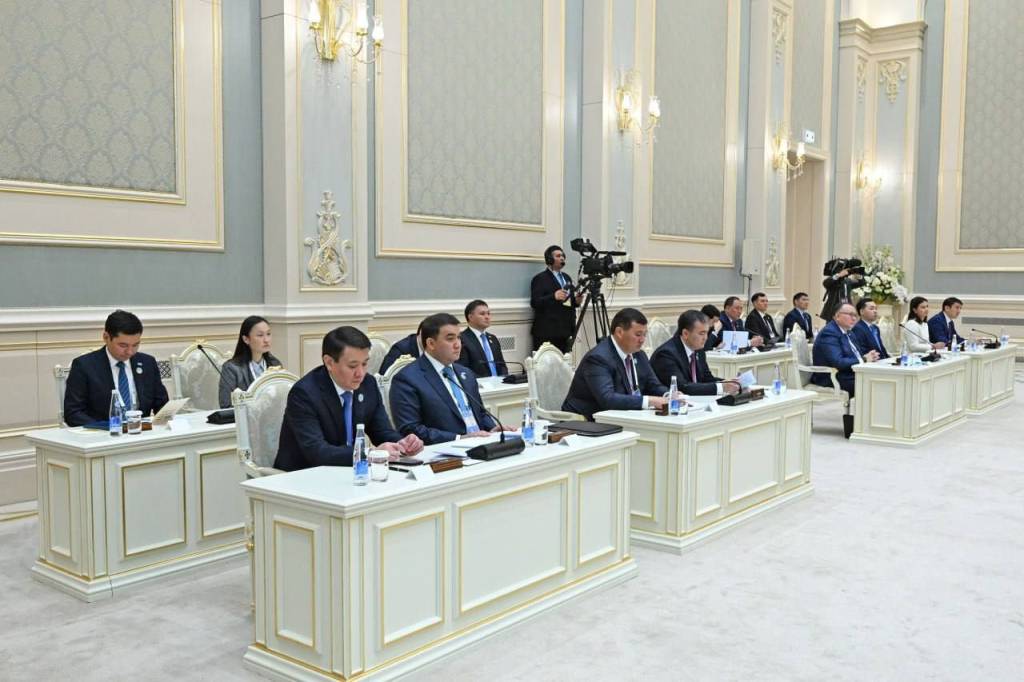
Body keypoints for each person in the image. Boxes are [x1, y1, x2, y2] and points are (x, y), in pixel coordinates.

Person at [274, 326, 423, 472]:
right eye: (352, 366)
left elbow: (382, 431)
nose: (360, 373)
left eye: (364, 364)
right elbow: (318, 452)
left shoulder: (368, 384)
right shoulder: (304, 393)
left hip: (349, 472)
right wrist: (370, 454)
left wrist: (401, 443)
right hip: (303, 475)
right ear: (329, 362)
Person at [390, 313, 499, 445]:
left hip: (481, 444)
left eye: (459, 338)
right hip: (445, 450)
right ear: (431, 343)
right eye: (450, 339)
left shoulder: (466, 373)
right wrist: (459, 438)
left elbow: (480, 412)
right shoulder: (407, 379)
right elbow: (410, 429)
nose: (458, 345)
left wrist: (493, 429)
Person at [63, 310, 169, 426]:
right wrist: (107, 428)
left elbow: (162, 404)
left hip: (141, 431)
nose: (130, 352)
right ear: (106, 337)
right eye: (123, 345)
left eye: (135, 345)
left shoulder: (147, 362)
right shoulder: (84, 366)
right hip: (103, 433)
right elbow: (73, 413)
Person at [562, 308, 668, 419]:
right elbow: (607, 399)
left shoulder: (639, 355)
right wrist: (649, 401)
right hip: (584, 420)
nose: (642, 340)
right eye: (638, 335)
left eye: (644, 335)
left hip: (623, 416)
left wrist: (670, 395)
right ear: (619, 332)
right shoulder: (598, 358)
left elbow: (653, 385)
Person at [651, 310, 741, 396]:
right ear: (685, 334)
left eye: (707, 333)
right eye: (702, 333)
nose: (705, 338)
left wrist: (727, 382)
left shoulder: (698, 349)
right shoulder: (666, 354)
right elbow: (682, 387)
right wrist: (721, 388)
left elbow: (706, 378)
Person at [811, 303, 880, 398]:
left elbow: (856, 355)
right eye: (850, 315)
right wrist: (864, 359)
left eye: (855, 315)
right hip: (834, 378)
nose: (854, 318)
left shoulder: (849, 332)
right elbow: (838, 362)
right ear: (837, 316)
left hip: (850, 374)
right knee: (875, 384)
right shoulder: (829, 333)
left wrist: (870, 356)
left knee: (881, 378)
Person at [218, 316, 283, 407]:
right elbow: (226, 405)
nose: (266, 340)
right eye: (260, 335)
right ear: (246, 339)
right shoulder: (231, 368)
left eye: (268, 334)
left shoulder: (275, 364)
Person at [530, 244, 581, 352]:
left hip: (565, 331)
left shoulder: (567, 277)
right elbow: (535, 302)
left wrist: (576, 301)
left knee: (564, 361)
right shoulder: (540, 278)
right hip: (547, 332)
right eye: (558, 256)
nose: (562, 258)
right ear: (549, 259)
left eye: (562, 256)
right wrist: (553, 296)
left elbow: (567, 301)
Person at [458, 299, 508, 378]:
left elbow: (502, 365)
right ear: (470, 317)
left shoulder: (493, 338)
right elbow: (462, 369)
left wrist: (503, 379)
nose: (487, 317)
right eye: (482, 314)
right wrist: (485, 382)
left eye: (488, 313)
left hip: (499, 383)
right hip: (479, 383)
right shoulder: (462, 339)